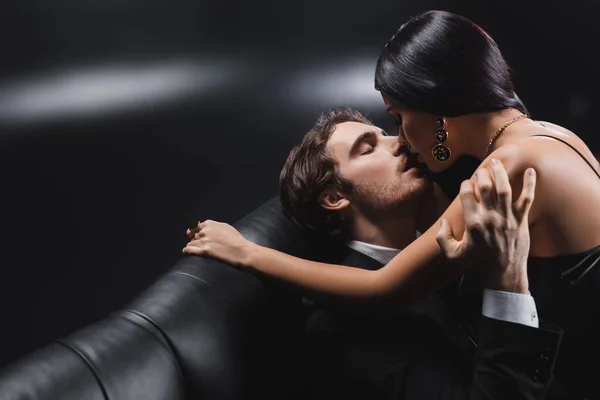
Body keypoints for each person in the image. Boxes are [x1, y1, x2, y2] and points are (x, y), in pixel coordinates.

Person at [184, 10, 599, 399]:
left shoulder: (505, 169)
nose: (400, 139)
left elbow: (385, 288)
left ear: (433, 103)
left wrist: (249, 253)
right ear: (334, 198)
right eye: (380, 135)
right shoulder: (548, 136)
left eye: (398, 118)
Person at [186, 108, 562, 399]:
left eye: (386, 131)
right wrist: (508, 281)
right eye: (369, 147)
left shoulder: (443, 242)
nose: (399, 141)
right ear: (335, 197)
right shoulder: (341, 329)